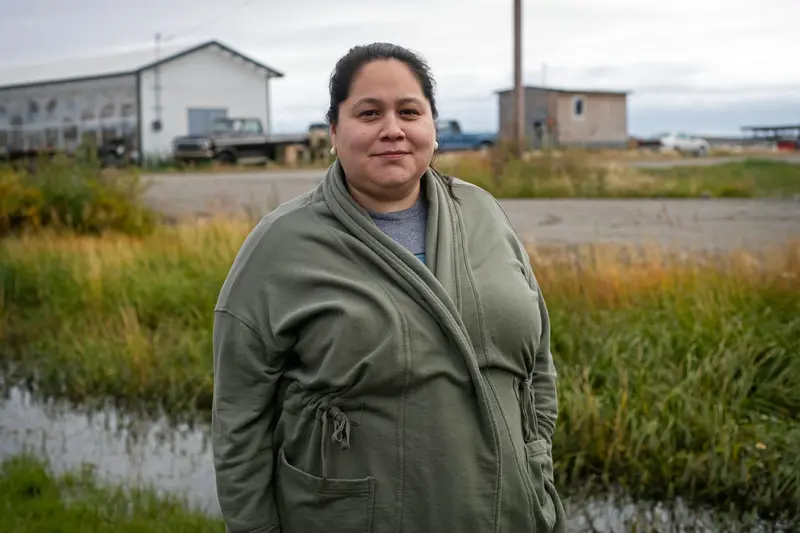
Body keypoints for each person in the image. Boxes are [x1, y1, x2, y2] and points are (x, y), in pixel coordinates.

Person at [211, 42, 567, 533]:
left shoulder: (481, 213)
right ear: (334, 131)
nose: (393, 129)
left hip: (507, 512)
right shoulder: (281, 246)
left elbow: (538, 365)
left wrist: (535, 455)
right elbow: (239, 423)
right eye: (369, 112)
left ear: (433, 129)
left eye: (409, 111)